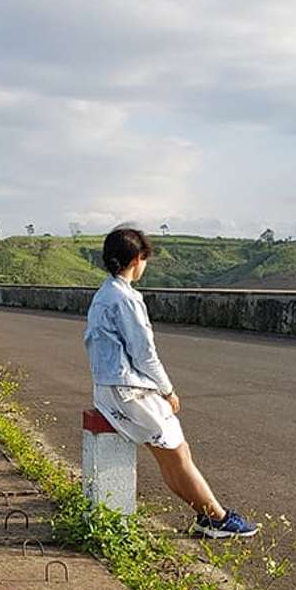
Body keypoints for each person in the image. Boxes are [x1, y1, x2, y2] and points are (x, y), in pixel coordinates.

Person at [84, 224, 258, 538]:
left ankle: (209, 516)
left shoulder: (104, 294)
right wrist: (168, 390)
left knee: (176, 452)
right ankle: (216, 519)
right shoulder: (127, 299)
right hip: (128, 389)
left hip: (111, 387)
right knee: (175, 453)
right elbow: (144, 354)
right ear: (137, 259)